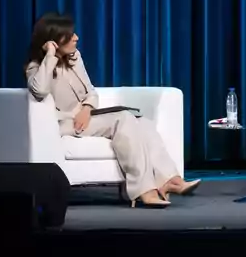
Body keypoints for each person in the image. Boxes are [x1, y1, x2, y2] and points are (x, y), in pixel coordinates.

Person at [23, 12, 199, 208]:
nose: (76, 38)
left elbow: (92, 93)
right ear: (54, 40)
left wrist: (87, 108)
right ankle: (143, 190)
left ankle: (169, 180)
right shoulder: (36, 67)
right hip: (66, 125)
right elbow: (39, 90)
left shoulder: (74, 59)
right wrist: (49, 55)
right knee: (123, 118)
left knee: (144, 123)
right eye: (70, 35)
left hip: (87, 119)